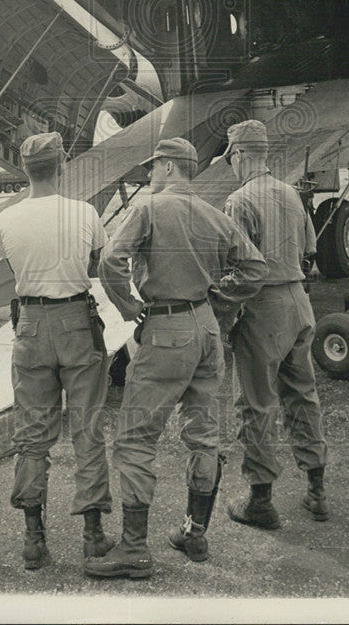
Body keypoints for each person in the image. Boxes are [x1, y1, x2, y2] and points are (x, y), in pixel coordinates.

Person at [84, 137, 268, 579]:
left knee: (134, 437)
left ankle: (132, 549)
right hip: (206, 328)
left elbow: (112, 260)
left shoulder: (150, 209)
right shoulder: (214, 212)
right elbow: (256, 268)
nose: (149, 175)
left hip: (166, 328)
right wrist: (217, 304)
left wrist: (129, 308)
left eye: (153, 167)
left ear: (168, 167)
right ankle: (194, 533)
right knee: (204, 434)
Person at [0, 132, 114, 570]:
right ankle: (93, 535)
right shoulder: (84, 212)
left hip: (29, 323)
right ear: (61, 165)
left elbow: (12, 266)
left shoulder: (7, 219)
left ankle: (33, 539)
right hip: (76, 322)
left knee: (31, 435)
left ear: (24, 169)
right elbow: (96, 264)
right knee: (87, 429)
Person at [221, 120, 329, 530]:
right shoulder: (291, 194)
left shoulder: (239, 201)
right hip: (299, 304)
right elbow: (310, 253)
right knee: (303, 396)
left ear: (240, 155)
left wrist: (222, 315)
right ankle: (317, 490)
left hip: (262, 309)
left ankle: (261, 501)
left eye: (231, 158)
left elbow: (241, 269)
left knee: (255, 404)